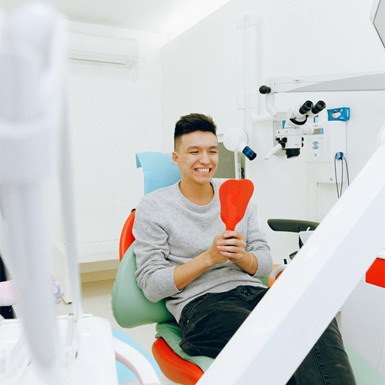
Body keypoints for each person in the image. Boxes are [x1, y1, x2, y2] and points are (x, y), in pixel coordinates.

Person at [133, 113, 356, 384]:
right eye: (194, 151)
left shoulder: (236, 194)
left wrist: (243, 257)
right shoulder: (154, 207)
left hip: (253, 292)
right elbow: (152, 286)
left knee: (313, 316)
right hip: (203, 305)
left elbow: (262, 263)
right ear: (176, 158)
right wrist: (209, 258)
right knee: (272, 338)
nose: (205, 160)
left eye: (212, 151)